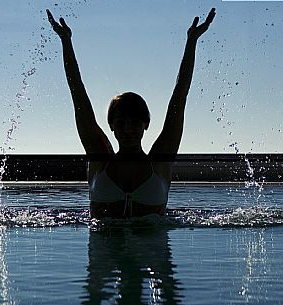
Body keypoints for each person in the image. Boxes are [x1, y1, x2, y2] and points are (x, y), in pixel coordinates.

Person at [47, 8, 216, 219]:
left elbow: (180, 97)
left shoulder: (159, 163)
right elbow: (78, 94)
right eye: (120, 122)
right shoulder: (100, 159)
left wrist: (192, 42)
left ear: (145, 124)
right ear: (111, 125)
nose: (127, 129)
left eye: (135, 123)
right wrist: (66, 42)